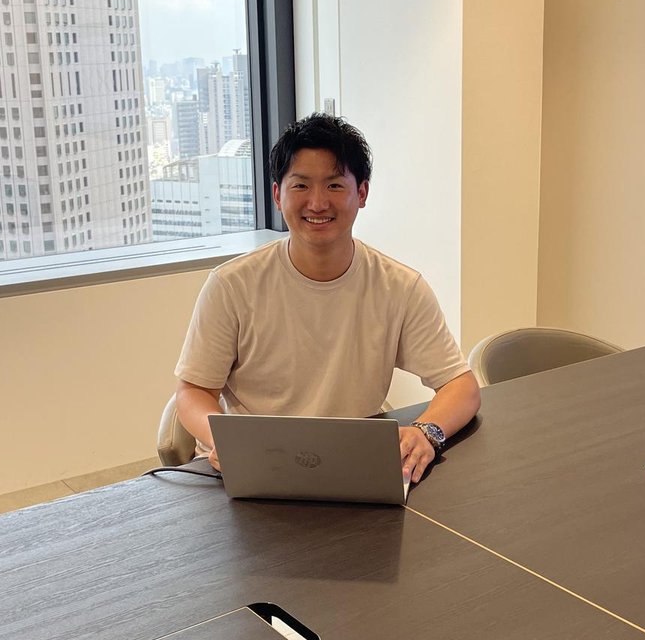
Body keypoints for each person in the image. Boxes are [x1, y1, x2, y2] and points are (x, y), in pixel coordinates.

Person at [173, 114, 481, 484]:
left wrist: (426, 432)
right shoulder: (232, 285)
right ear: (278, 195)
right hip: (253, 470)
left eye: (334, 185)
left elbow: (461, 386)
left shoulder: (399, 287)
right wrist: (222, 439)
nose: (317, 203)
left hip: (351, 467)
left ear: (362, 193)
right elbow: (193, 391)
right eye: (301, 185)